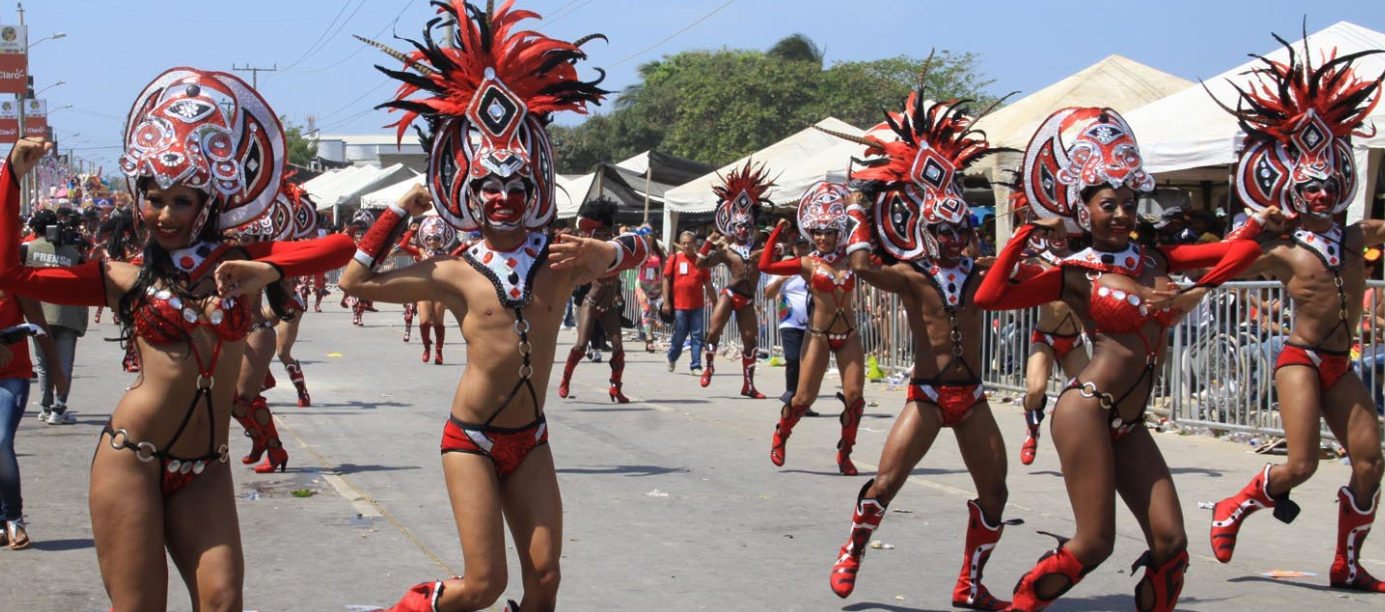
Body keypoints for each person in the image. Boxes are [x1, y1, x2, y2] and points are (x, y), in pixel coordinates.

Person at [0, 68, 354, 611]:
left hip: (206, 467)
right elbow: (10, 276)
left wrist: (270, 273)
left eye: (181, 200)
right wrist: (9, 181)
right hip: (132, 459)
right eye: (154, 198)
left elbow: (340, 247)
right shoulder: (123, 277)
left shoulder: (241, 265)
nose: (165, 213)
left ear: (206, 204)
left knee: (223, 602)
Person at [347, 5, 647, 609]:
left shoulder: (563, 258)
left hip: (531, 439)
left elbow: (647, 248)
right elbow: (356, 281)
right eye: (491, 187)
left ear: (533, 188)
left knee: (546, 579)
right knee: (484, 586)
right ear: (469, 194)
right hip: (473, 440)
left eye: (516, 187)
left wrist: (609, 249)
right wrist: (401, 208)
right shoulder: (455, 270)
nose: (505, 199)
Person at [974, 106, 1269, 612]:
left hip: (1130, 423)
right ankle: (1021, 605)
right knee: (1095, 544)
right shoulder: (1073, 272)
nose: (1120, 215)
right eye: (1108, 205)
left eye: (1129, 205)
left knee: (1172, 545)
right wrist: (1024, 235)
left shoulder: (1157, 261)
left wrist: (1193, 287)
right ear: (1083, 210)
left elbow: (1237, 253)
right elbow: (989, 298)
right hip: (1087, 408)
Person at [821, 84, 1017, 610]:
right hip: (927, 396)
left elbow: (1023, 274)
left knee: (996, 494)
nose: (952, 238)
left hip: (972, 398)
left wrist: (1023, 232)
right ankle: (853, 550)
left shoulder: (981, 277)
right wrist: (860, 212)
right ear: (925, 230)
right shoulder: (911, 276)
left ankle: (970, 585)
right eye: (942, 229)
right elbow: (862, 267)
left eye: (959, 229)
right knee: (885, 483)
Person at [1206, 36, 1385, 594]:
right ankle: (1234, 506)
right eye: (1309, 185)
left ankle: (1347, 565)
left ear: (1341, 184)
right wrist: (1253, 225)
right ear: (1293, 188)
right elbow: (1218, 265)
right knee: (1302, 466)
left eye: (1329, 182)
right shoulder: (1282, 248)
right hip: (1300, 360)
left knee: (1370, 463)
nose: (1321, 191)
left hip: (1341, 361)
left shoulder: (1361, 236)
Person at [759, 182, 867, 475]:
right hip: (817, 336)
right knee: (803, 399)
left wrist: (856, 210)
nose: (821, 237)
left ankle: (845, 454)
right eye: (817, 232)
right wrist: (777, 235)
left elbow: (873, 250)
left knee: (855, 399)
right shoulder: (807, 263)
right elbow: (766, 265)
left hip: (849, 336)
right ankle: (781, 433)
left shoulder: (851, 258)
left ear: (838, 234)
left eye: (828, 232)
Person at [1012, 198, 1089, 466]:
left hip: (1075, 341)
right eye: (1054, 233)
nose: (1060, 237)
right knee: (1035, 389)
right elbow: (1014, 269)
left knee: (1090, 396)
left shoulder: (1086, 261)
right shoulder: (1039, 262)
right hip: (1045, 338)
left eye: (1064, 233)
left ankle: (1094, 448)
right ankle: (1032, 430)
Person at [694, 161, 775, 398]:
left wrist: (776, 239)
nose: (743, 229)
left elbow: (776, 254)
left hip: (748, 299)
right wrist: (709, 241)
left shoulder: (760, 248)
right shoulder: (726, 251)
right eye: (739, 226)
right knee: (714, 331)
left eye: (747, 225)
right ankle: (708, 367)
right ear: (732, 226)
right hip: (730, 295)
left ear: (752, 226)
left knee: (750, 340)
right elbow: (700, 264)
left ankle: (748, 385)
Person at [0, 291, 67, 550]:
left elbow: (39, 325)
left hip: (11, 376)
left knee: (2, 440)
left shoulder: (13, 279)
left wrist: (56, 369)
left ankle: (14, 519)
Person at [558, 198, 634, 402]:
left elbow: (617, 278)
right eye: (597, 235)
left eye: (605, 234)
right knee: (581, 346)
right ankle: (565, 380)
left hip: (608, 306)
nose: (602, 238)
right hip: (590, 304)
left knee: (618, 348)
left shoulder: (616, 251)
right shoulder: (590, 255)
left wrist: (619, 296)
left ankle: (616, 388)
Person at [21, 209, 88, 424]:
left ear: (34, 228)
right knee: (65, 362)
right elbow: (82, 281)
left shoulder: (26, 250)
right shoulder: (73, 253)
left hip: (38, 315)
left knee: (43, 363)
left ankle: (45, 406)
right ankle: (58, 409)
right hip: (67, 314)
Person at [396, 217, 457, 364]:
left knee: (438, 322)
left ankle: (439, 351)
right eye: (429, 239)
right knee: (424, 322)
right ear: (425, 240)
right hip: (423, 290)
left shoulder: (446, 255)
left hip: (439, 291)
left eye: (436, 238)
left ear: (440, 240)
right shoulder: (420, 253)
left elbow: (458, 257)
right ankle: (427, 348)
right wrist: (410, 232)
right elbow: (403, 246)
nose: (432, 242)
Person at [764, 233, 811, 408]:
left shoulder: (814, 266)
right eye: (799, 246)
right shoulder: (784, 267)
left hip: (812, 323)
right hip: (789, 321)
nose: (802, 249)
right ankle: (791, 394)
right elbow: (768, 294)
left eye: (805, 246)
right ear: (793, 249)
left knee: (808, 363)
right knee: (792, 358)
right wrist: (782, 279)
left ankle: (803, 401)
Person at [662, 230, 715, 374]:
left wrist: (716, 303)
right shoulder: (674, 259)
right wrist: (666, 301)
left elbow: (709, 285)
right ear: (680, 244)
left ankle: (696, 365)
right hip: (679, 306)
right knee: (679, 335)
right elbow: (666, 280)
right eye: (684, 243)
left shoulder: (700, 261)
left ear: (694, 244)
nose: (686, 246)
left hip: (697, 306)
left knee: (697, 336)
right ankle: (672, 357)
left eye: (689, 243)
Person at [634, 225, 665, 353]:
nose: (649, 238)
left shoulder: (659, 250)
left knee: (651, 311)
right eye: (646, 236)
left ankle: (651, 329)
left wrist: (663, 283)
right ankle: (649, 338)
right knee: (645, 309)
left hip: (655, 284)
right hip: (642, 283)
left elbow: (664, 267)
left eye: (650, 236)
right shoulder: (640, 251)